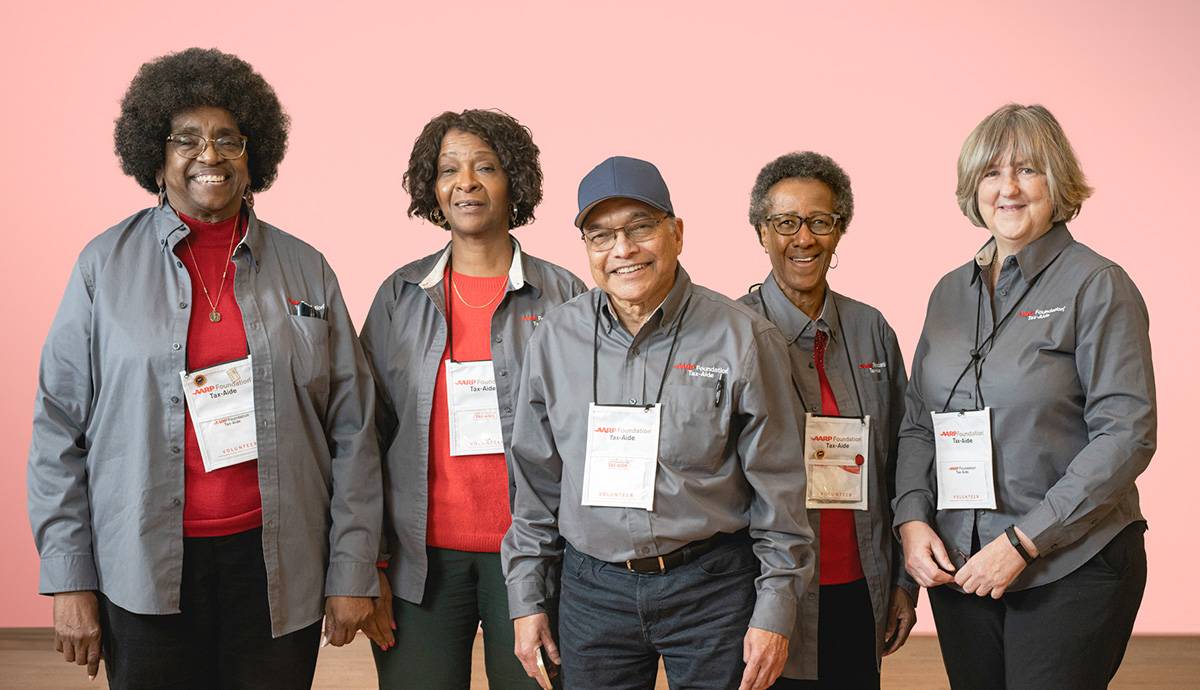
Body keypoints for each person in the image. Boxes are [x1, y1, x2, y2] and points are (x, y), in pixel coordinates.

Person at [27, 48, 382, 689]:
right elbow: (58, 428)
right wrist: (69, 577)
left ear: (255, 154)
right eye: (185, 140)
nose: (209, 155)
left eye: (228, 139)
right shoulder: (102, 267)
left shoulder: (308, 269)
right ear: (155, 159)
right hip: (143, 564)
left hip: (278, 562)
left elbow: (353, 430)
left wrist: (352, 566)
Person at [502, 155, 815, 690]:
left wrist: (774, 612)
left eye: (640, 228)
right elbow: (534, 486)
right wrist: (527, 599)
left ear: (677, 233)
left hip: (713, 590)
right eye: (600, 236)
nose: (622, 250)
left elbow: (781, 490)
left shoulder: (745, 339)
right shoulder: (553, 339)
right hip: (592, 592)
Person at [893, 103, 1155, 690]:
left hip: (1070, 563)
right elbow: (917, 423)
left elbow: (1127, 434)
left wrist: (1024, 540)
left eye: (1028, 170)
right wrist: (911, 518)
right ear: (973, 187)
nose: (1007, 188)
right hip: (964, 568)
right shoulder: (948, 292)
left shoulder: (1097, 284)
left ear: (1056, 181)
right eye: (991, 172)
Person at [359, 109, 586, 689]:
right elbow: (363, 434)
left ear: (515, 181)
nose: (467, 182)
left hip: (538, 557)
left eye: (486, 166)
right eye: (449, 169)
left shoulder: (565, 295)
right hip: (421, 563)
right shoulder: (399, 296)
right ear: (431, 189)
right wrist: (370, 563)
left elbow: (589, 431)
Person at [738, 152, 917, 689]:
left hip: (862, 585)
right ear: (760, 233)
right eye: (785, 223)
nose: (804, 238)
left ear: (839, 230)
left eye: (821, 221)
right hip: (761, 595)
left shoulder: (872, 330)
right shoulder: (729, 331)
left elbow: (904, 456)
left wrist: (903, 581)